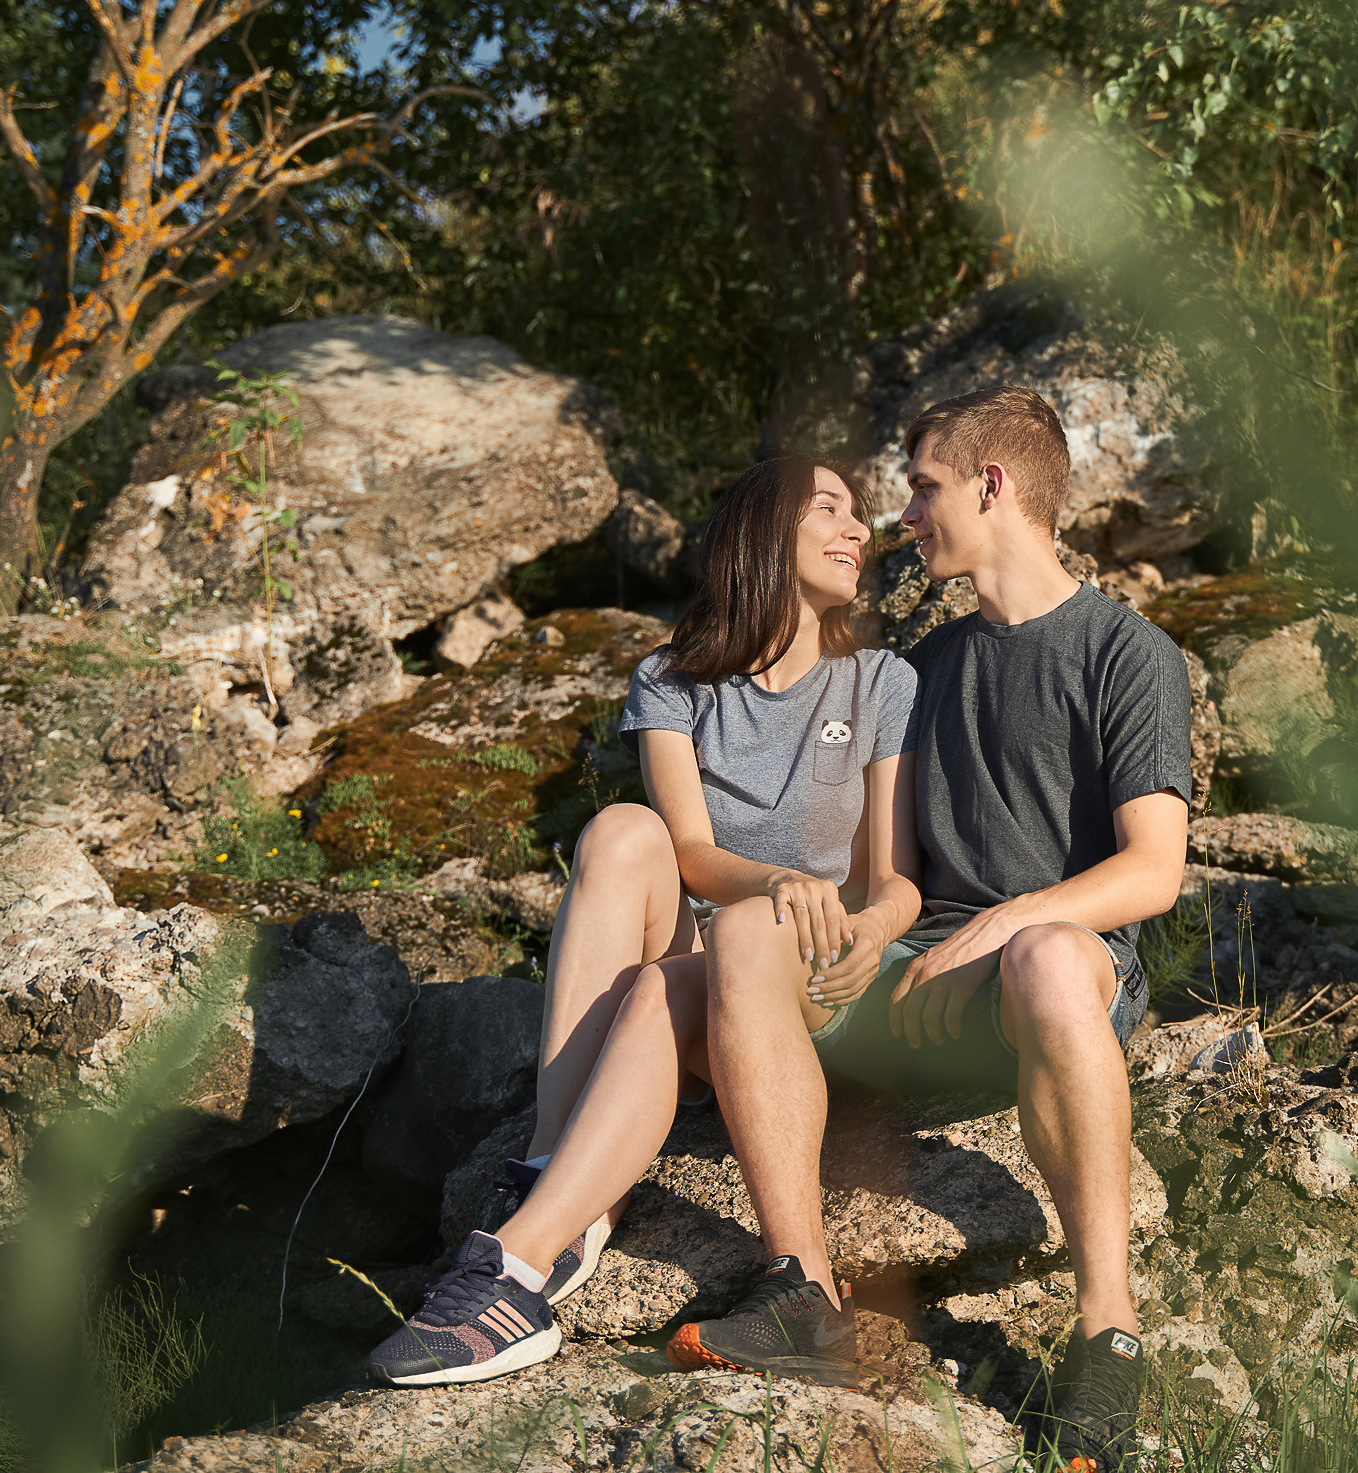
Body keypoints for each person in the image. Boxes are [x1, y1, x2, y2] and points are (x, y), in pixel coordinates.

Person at [670, 386, 1192, 1473]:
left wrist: (999, 926)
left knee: (1049, 959)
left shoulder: (1126, 652)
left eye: (923, 488)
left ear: (991, 486)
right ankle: (798, 1296)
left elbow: (1153, 872)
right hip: (911, 979)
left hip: (1044, 983)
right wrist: (861, 931)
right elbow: (884, 870)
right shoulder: (921, 670)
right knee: (746, 938)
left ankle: (1108, 1333)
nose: (903, 516)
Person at [364, 456, 921, 1386]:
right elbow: (692, 852)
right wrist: (777, 875)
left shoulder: (880, 681)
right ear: (761, 534)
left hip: (794, 982)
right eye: (831, 508)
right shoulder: (671, 678)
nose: (860, 529)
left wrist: (867, 932)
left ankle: (518, 1259)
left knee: (698, 966)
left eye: (861, 515)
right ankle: (558, 1177)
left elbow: (898, 879)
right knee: (624, 829)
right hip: (702, 948)